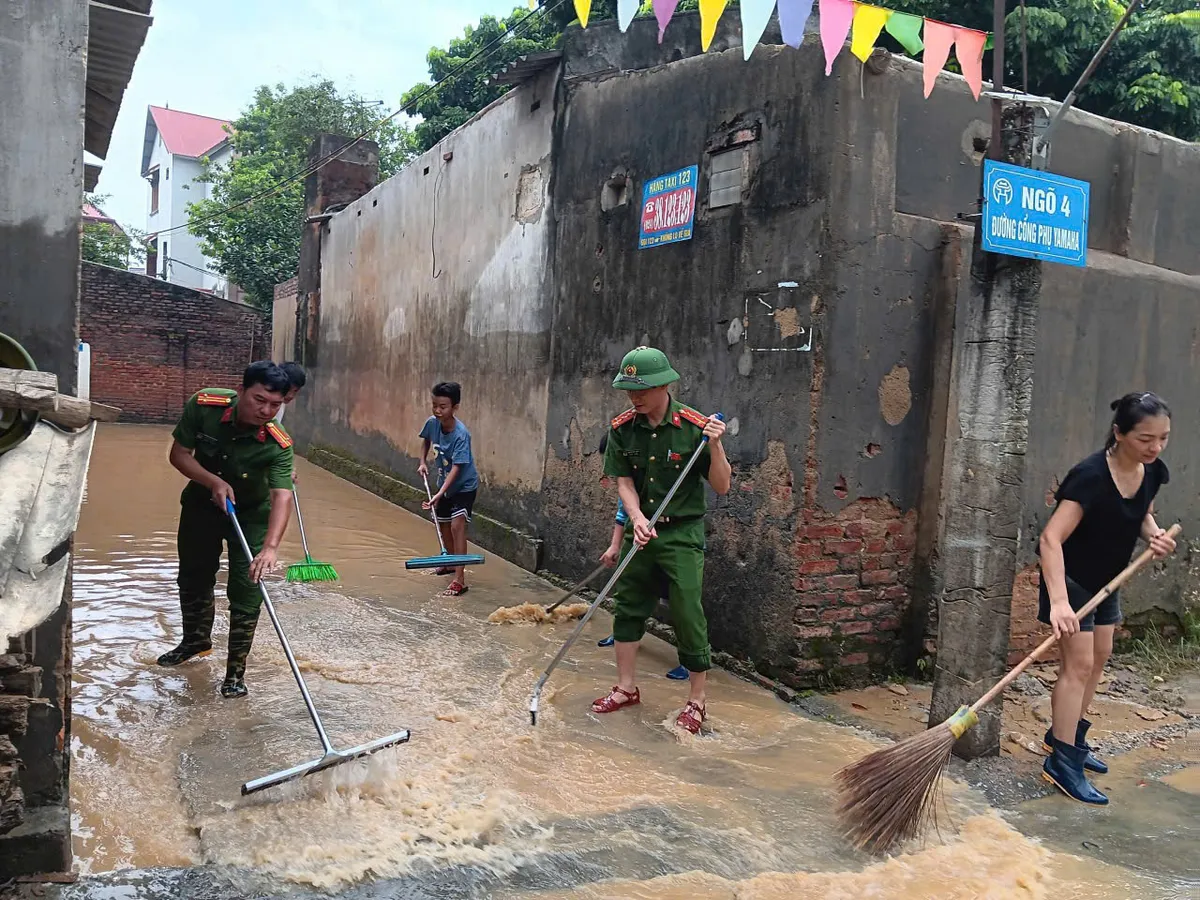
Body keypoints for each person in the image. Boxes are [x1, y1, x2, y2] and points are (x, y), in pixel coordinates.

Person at [1037, 392, 1175, 804]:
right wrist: (1060, 603)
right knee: (1077, 666)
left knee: (1100, 657)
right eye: (1145, 439)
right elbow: (1050, 538)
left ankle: (1066, 734)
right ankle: (1063, 763)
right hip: (1073, 580)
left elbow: (1141, 515)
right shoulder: (1091, 476)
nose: (1155, 448)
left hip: (1108, 581)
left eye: (1164, 438)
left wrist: (1155, 536)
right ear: (1119, 433)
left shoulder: (1152, 471)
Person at [595, 346, 730, 734]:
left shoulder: (695, 428)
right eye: (629, 390)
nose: (635, 398)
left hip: (681, 532)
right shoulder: (622, 429)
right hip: (643, 531)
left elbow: (722, 485)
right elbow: (623, 481)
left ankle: (697, 701)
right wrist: (636, 519)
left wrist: (716, 445)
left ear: (665, 385)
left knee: (687, 609)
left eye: (642, 390)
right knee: (629, 605)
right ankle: (625, 688)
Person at [157, 361, 295, 699]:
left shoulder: (278, 444)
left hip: (250, 516)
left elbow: (282, 496)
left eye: (275, 405)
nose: (266, 411)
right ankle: (195, 643)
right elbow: (178, 455)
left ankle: (235, 673)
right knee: (193, 575)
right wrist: (213, 481)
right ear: (241, 391)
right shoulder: (204, 406)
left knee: (247, 588)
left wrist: (271, 548)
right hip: (202, 505)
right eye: (259, 400)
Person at [596, 435, 689, 681]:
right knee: (630, 593)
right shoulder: (628, 480)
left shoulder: (664, 470)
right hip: (639, 542)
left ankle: (690, 660)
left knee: (682, 603)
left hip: (674, 543)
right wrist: (615, 546)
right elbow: (622, 513)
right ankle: (624, 635)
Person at [418, 381, 479, 597]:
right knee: (443, 526)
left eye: (442, 406)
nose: (437, 410)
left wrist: (439, 494)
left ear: (455, 407)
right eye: (434, 405)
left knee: (456, 526)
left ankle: (459, 579)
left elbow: (457, 469)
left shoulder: (461, 434)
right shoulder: (432, 423)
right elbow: (426, 440)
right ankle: (451, 561)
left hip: (463, 486)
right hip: (442, 485)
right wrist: (423, 461)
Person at [275, 361, 306, 482]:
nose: (291, 395)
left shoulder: (280, 405)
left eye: (296, 391)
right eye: (288, 389)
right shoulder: (271, 405)